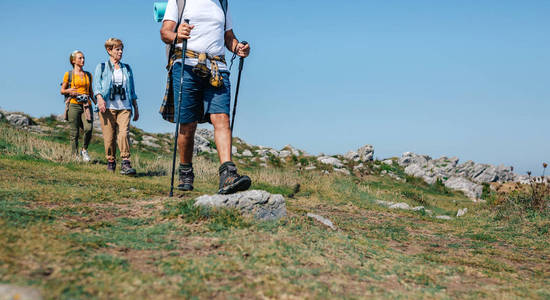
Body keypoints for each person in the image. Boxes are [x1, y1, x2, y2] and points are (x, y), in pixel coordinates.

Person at [159, 0, 252, 194]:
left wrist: (238, 48)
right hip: (186, 64)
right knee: (187, 124)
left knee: (222, 118)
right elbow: (165, 32)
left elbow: (228, 37)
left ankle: (228, 173)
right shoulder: (179, 1)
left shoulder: (222, 3)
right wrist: (178, 35)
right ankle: (185, 171)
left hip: (217, 67)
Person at [93, 38, 139, 175]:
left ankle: (126, 162)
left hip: (125, 107)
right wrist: (100, 99)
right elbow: (96, 87)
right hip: (107, 107)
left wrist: (136, 107)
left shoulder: (127, 68)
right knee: (109, 137)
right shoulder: (101, 67)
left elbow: (132, 90)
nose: (120, 52)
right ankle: (111, 161)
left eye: (121, 49)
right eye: (117, 49)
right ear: (109, 50)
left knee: (124, 133)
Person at [60, 50, 96, 162]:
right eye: (80, 58)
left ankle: (84, 150)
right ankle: (74, 155)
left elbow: (91, 92)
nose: (83, 60)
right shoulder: (68, 74)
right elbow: (62, 90)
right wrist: (69, 90)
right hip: (74, 104)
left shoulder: (88, 75)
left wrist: (98, 103)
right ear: (73, 60)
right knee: (74, 132)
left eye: (83, 58)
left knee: (89, 128)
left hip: (86, 104)